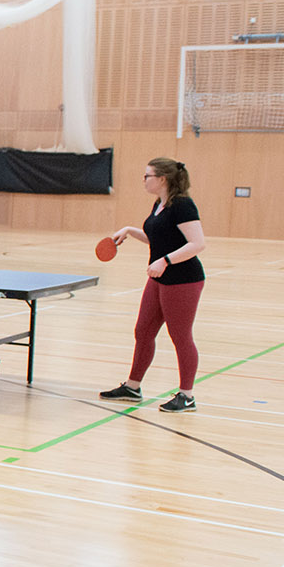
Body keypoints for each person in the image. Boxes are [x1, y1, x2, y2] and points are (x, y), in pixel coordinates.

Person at [100, 156, 206, 413]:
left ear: (162, 179)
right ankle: (132, 387)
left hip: (183, 280)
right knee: (143, 331)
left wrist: (166, 261)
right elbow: (158, 238)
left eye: (147, 176)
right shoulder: (160, 204)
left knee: (180, 336)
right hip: (159, 278)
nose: (144, 180)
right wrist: (129, 230)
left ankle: (187, 395)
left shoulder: (182, 205)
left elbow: (197, 244)